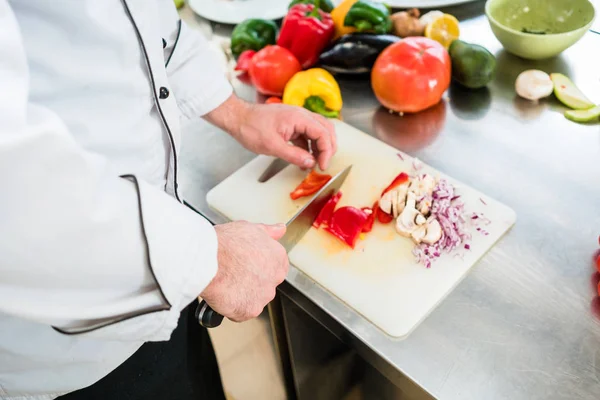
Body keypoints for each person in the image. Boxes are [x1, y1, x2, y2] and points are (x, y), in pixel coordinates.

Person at [0, 0, 336, 399]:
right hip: (70, 344)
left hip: (169, 282)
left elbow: (150, 28)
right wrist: (210, 260)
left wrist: (237, 114)